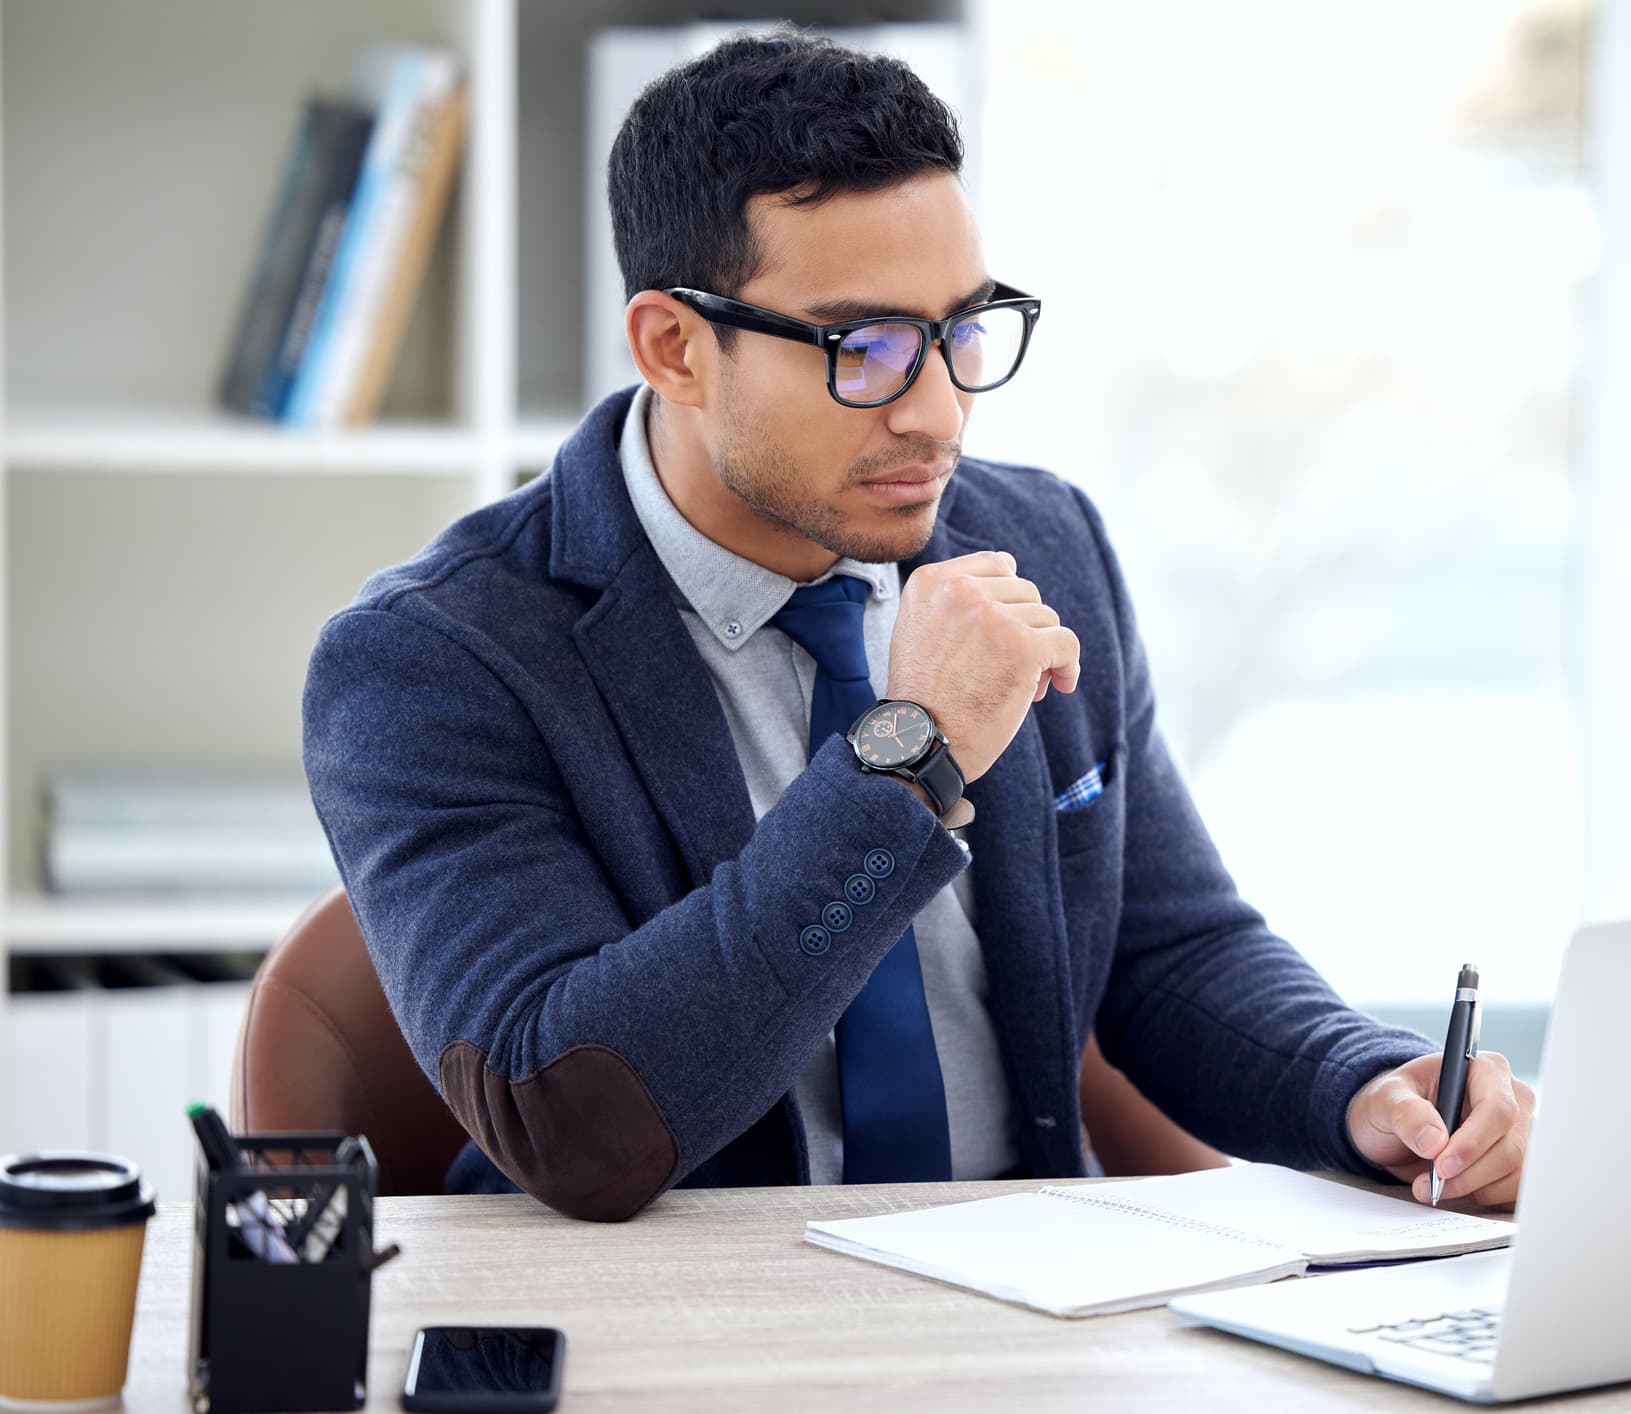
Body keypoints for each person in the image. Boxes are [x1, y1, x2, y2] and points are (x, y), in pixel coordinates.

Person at [302, 29, 1533, 1221]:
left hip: (1036, 1300)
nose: (940, 413)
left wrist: (1365, 1085)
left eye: (960, 331)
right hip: (677, 1328)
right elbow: (575, 1124)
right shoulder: (431, 662)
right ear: (674, 347)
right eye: (869, 346)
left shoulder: (1045, 544)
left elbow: (1169, 953)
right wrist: (911, 751)